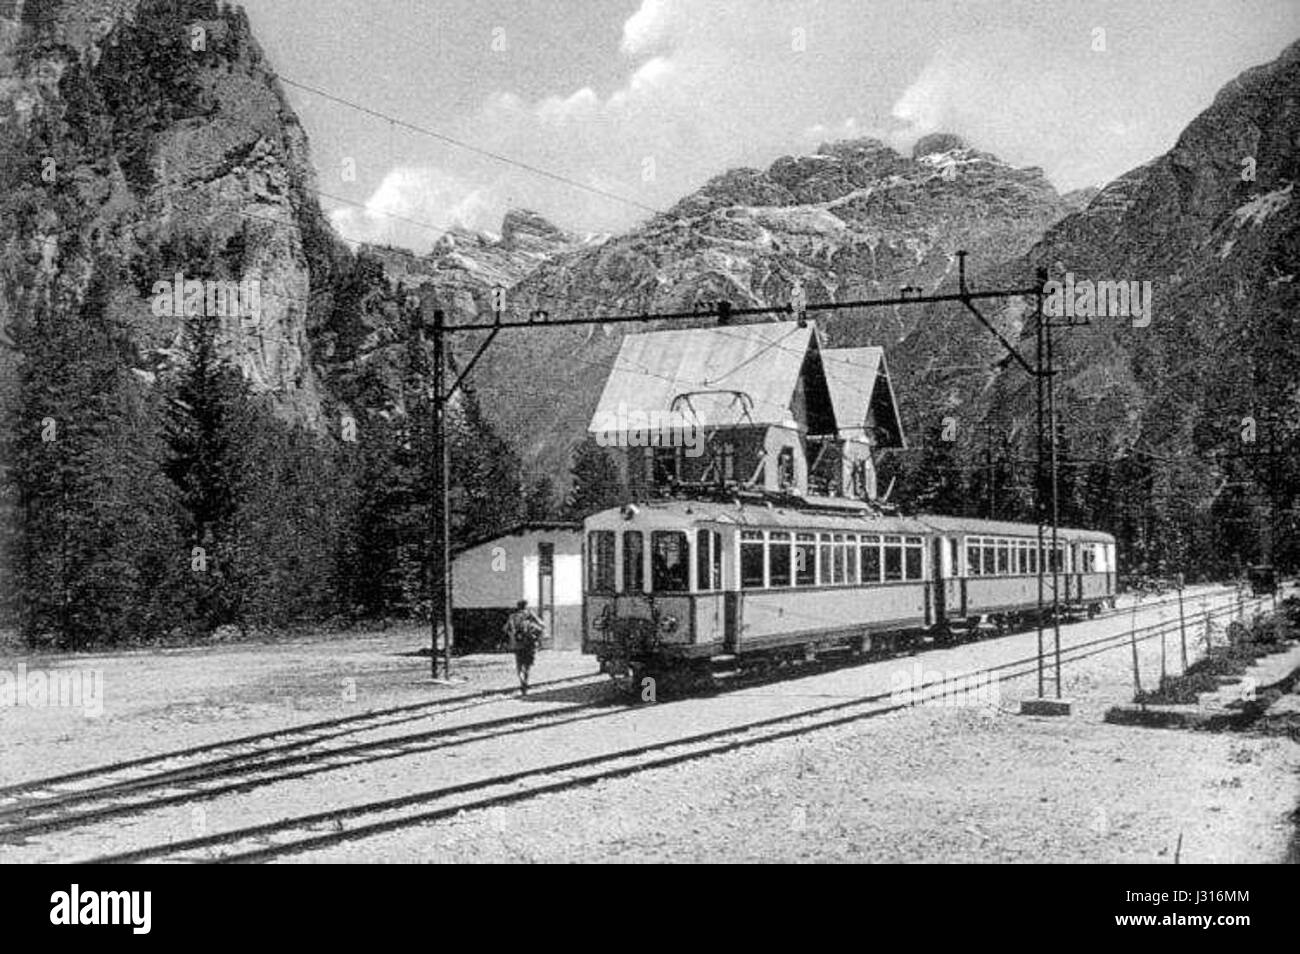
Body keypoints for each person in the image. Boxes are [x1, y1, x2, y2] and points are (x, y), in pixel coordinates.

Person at [504, 599, 544, 695]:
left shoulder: (512, 617)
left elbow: (505, 628)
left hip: (517, 644)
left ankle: (522, 682)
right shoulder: (530, 614)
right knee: (527, 666)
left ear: (518, 607)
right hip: (530, 643)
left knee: (519, 665)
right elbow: (542, 625)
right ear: (526, 606)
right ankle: (526, 682)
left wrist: (512, 635)